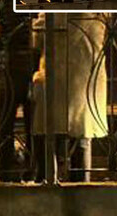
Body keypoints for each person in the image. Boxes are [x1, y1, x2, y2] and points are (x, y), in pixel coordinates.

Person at [30, 12, 108, 182]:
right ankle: (82, 188)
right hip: (87, 77)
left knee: (49, 135)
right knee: (82, 136)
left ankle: (48, 183)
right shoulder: (97, 8)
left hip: (58, 76)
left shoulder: (55, 9)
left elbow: (36, 37)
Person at [0, 0, 39, 182]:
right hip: (33, 66)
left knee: (5, 121)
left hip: (9, 66)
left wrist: (1, 46)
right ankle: (34, 167)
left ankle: (6, 169)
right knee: (33, 122)